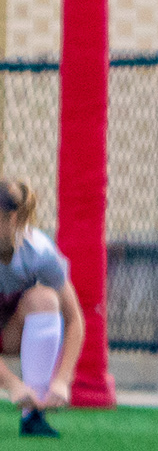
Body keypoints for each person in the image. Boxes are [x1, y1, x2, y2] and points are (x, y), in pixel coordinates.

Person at [0, 175, 85, 436]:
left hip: (8, 333)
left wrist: (61, 381)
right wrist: (12, 384)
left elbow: (74, 321)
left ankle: (34, 412)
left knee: (45, 299)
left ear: (12, 218)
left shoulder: (39, 252)